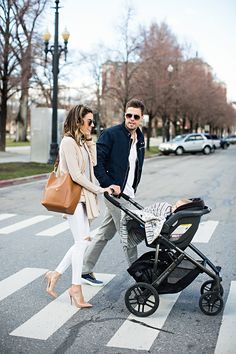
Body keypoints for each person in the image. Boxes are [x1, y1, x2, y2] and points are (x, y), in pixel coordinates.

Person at [44, 105, 113, 308]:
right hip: (73, 199)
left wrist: (90, 141)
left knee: (80, 242)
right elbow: (75, 175)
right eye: (89, 121)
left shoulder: (82, 142)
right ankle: (75, 288)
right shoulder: (67, 142)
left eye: (93, 122)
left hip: (82, 199)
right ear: (78, 121)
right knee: (82, 242)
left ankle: (55, 275)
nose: (92, 125)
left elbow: (93, 163)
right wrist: (100, 190)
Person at [82, 99, 145, 286]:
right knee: (129, 235)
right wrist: (109, 185)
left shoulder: (140, 138)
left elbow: (135, 166)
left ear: (141, 118)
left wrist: (131, 189)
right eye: (128, 115)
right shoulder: (110, 134)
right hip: (114, 194)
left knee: (104, 233)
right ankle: (140, 277)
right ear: (124, 115)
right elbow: (97, 164)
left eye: (136, 117)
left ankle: (84, 269)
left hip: (127, 194)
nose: (131, 119)